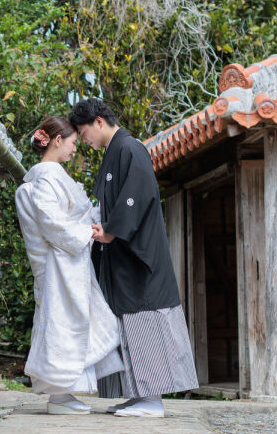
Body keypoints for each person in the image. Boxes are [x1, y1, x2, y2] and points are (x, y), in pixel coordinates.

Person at [69, 97, 198, 417]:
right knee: (126, 325)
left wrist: (112, 229)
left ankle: (152, 399)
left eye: (84, 133)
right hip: (122, 258)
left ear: (99, 121)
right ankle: (138, 395)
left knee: (146, 322)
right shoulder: (115, 152)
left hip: (140, 259)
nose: (84, 140)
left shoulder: (130, 149)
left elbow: (137, 197)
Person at [15, 115, 125, 414]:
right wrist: (86, 231)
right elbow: (52, 223)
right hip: (59, 264)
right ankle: (59, 394)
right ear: (57, 140)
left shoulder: (51, 176)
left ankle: (63, 393)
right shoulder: (46, 178)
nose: (75, 148)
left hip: (67, 262)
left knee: (71, 323)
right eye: (73, 142)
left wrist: (91, 222)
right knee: (62, 324)